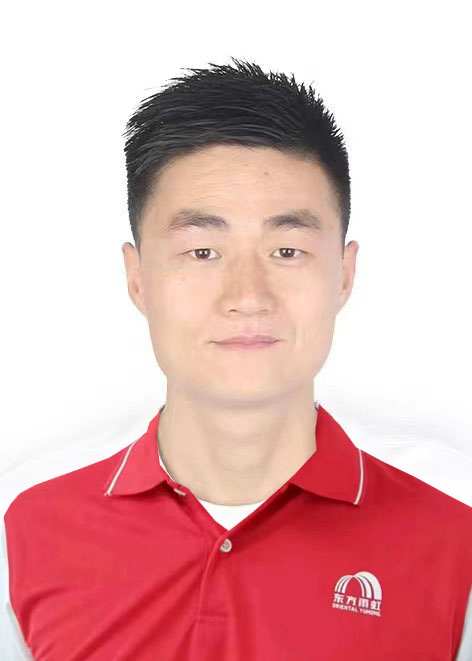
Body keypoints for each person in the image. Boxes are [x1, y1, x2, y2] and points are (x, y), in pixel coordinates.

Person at [1, 56, 471, 660]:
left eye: (287, 250)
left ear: (344, 274)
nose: (248, 296)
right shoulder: (23, 530)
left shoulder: (455, 538)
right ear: (138, 278)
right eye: (202, 251)